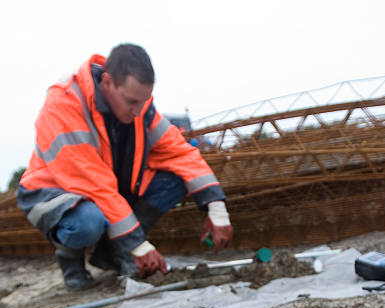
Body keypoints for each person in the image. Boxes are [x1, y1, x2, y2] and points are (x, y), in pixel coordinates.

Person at [17, 44, 233, 290]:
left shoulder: (140, 109)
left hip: (104, 189)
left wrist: (216, 208)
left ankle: (110, 254)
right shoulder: (64, 104)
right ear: (107, 82)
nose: (138, 111)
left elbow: (180, 153)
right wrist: (138, 245)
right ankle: (70, 259)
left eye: (143, 101)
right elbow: (92, 184)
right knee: (87, 222)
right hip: (54, 193)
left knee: (174, 179)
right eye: (131, 102)